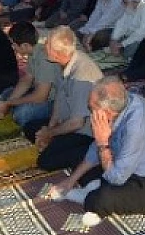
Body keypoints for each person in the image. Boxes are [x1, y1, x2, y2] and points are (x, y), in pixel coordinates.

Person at [49, 77, 145, 220]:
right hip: (124, 165)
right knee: (78, 157)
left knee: (100, 199)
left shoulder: (135, 128)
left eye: (92, 108)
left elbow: (116, 178)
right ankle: (95, 188)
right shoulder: (125, 103)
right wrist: (71, 180)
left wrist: (103, 143)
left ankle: (90, 196)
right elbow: (95, 149)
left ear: (107, 111)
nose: (90, 113)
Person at [31, 27, 104, 172]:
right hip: (68, 121)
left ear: (56, 53)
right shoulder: (64, 63)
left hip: (86, 132)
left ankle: (87, 160)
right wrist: (50, 128)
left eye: (47, 45)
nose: (44, 46)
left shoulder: (81, 77)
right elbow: (59, 98)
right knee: (30, 127)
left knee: (46, 160)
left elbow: (77, 123)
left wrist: (49, 134)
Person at [0, 21, 60, 129]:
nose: (13, 48)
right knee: (7, 93)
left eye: (14, 44)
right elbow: (26, 80)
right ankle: (9, 108)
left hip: (53, 101)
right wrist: (9, 101)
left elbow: (41, 96)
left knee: (22, 114)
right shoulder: (33, 52)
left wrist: (10, 103)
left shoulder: (45, 59)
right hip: (40, 92)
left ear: (25, 45)